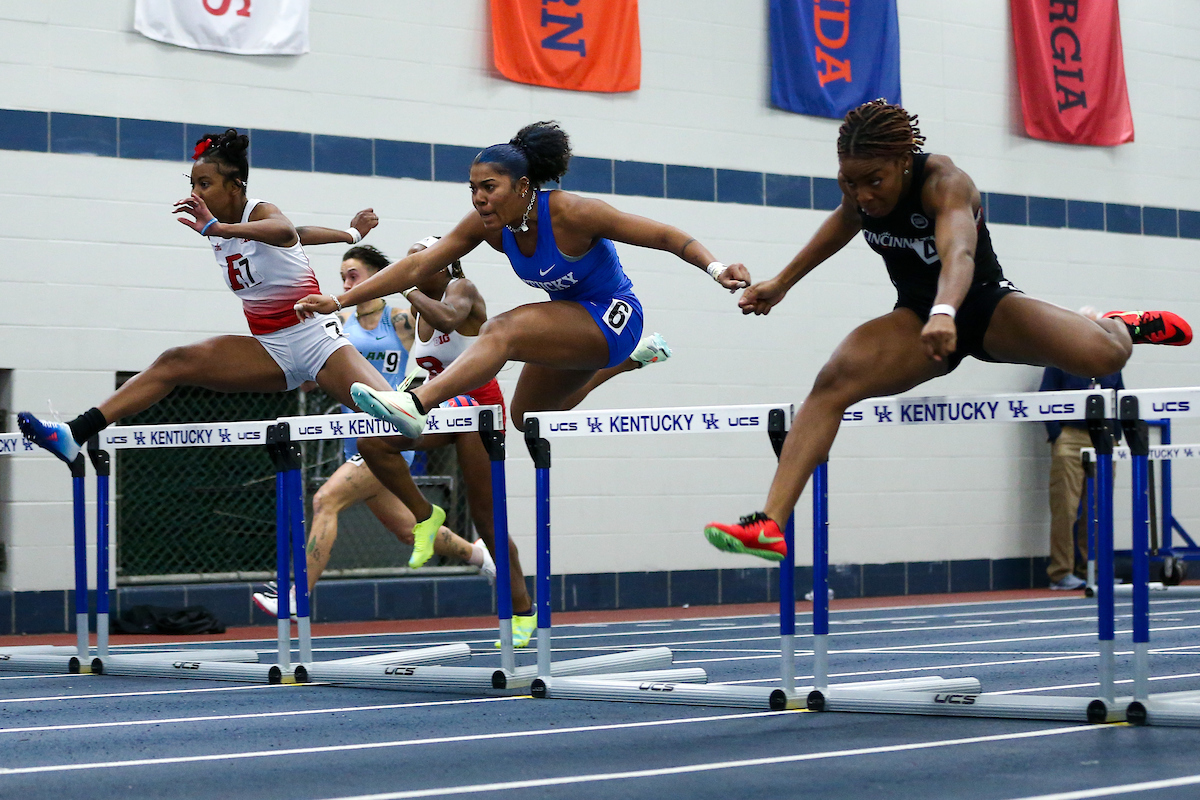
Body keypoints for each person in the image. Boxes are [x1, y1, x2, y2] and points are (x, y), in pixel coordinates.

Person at [704, 100, 1192, 561]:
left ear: (903, 160)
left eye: (874, 181)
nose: (863, 195)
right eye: (852, 183)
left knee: (1106, 357)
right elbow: (843, 221)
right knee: (834, 380)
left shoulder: (946, 183)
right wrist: (782, 283)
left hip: (983, 305)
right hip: (917, 317)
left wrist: (946, 310)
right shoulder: (857, 186)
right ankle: (769, 524)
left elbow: (958, 253)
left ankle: (1115, 324)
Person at [17, 130, 448, 586]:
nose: (195, 194)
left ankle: (425, 504)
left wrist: (216, 228)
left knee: (398, 417)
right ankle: (74, 433)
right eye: (193, 184)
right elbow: (298, 235)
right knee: (176, 360)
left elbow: (282, 230)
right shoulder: (223, 227)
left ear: (235, 187)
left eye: (205, 184)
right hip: (270, 348)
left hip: (315, 338)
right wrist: (351, 233)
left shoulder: (251, 214)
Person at [293, 120, 747, 445]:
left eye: (489, 187)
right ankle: (629, 362)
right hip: (573, 325)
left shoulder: (572, 213)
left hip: (613, 316)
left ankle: (416, 405)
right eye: (472, 188)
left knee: (502, 330)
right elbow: (418, 267)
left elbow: (665, 235)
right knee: (527, 416)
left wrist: (715, 267)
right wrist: (339, 299)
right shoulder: (486, 225)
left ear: (524, 185)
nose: (479, 198)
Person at [252, 242, 495, 618]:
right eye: (342, 277)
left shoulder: (400, 318)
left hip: (391, 432)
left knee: (324, 501)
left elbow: (444, 330)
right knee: (406, 530)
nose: (347, 282)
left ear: (375, 277)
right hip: (356, 435)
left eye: (354, 275)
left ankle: (299, 592)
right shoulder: (340, 327)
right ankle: (480, 556)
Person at [1040, 366, 1123, 591]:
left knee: (1098, 507)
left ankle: (1094, 570)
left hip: (1104, 435)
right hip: (1070, 434)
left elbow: (1120, 395)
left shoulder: (1110, 360)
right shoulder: (1059, 358)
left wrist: (1117, 435)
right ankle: (1060, 573)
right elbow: (1045, 394)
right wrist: (1057, 433)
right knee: (1065, 507)